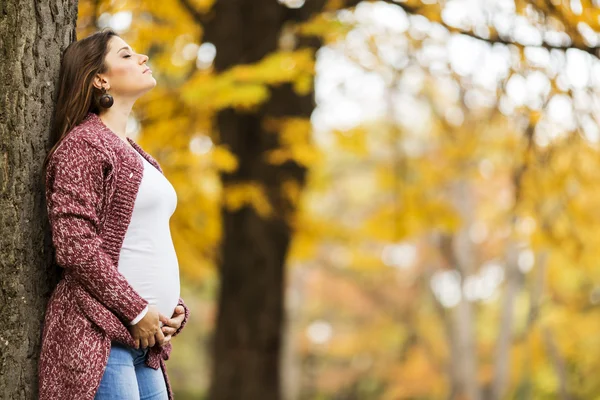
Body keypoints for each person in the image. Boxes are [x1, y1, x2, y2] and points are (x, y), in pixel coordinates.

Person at [38, 27, 190, 400]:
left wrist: (175, 308)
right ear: (99, 79)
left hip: (146, 344)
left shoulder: (139, 155)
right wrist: (137, 310)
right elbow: (76, 246)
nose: (142, 58)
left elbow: (144, 240)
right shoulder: (83, 145)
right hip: (98, 335)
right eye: (125, 55)